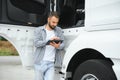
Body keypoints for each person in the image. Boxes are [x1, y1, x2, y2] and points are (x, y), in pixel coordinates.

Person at [33, 12, 65, 80]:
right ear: (48, 19)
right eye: (53, 22)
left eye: (56, 22)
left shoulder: (58, 30)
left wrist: (58, 46)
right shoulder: (39, 30)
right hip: (40, 62)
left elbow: (63, 44)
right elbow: (36, 43)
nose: (55, 24)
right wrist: (48, 41)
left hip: (51, 63)